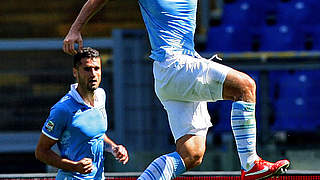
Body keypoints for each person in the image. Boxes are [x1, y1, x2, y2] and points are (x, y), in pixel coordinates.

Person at [62, 0, 290, 179]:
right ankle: (250, 164)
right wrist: (75, 29)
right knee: (245, 86)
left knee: (192, 154)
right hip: (175, 66)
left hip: (174, 73)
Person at [35, 47, 129, 180]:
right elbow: (41, 152)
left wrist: (114, 148)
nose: (93, 74)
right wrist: (74, 166)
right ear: (75, 72)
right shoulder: (62, 109)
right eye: (87, 69)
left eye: (97, 68)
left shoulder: (101, 96)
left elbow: (97, 135)